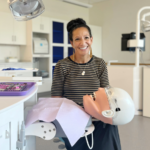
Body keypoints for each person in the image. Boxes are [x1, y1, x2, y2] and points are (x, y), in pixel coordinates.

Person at [51, 18, 121, 150]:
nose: (83, 42)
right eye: (77, 39)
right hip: (73, 119)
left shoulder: (99, 64)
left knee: (110, 127)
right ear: (71, 43)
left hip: (97, 117)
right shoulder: (63, 65)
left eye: (86, 37)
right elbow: (56, 97)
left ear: (91, 40)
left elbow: (105, 92)